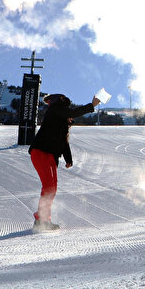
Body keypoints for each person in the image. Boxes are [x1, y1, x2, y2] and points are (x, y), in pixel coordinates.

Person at [29, 93, 100, 231]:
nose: (69, 112)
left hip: (50, 155)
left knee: (52, 188)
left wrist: (68, 159)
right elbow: (73, 112)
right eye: (66, 108)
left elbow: (64, 142)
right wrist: (92, 105)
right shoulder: (54, 109)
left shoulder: (61, 122)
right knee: (48, 187)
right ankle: (41, 220)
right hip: (40, 152)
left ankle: (44, 220)